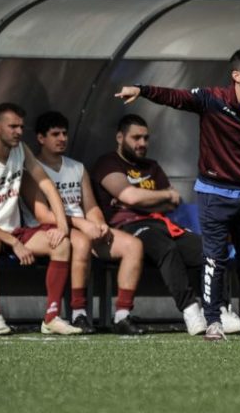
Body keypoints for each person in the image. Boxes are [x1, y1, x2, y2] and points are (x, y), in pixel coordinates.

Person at [114, 48, 240, 341]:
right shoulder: (211, 98)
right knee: (214, 258)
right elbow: (175, 97)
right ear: (237, 76)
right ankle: (213, 321)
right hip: (214, 193)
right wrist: (140, 89)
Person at [0, 103, 81, 336]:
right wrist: (13, 242)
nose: (18, 131)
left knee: (62, 244)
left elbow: (46, 184)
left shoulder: (21, 150)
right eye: (12, 126)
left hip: (13, 232)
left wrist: (62, 225)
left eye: (21, 126)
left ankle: (51, 317)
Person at [21, 111, 145, 334]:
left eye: (65, 133)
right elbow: (43, 215)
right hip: (49, 230)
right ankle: (79, 314)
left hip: (82, 227)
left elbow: (90, 207)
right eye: (55, 134)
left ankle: (122, 315)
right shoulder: (32, 170)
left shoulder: (76, 168)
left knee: (134, 246)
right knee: (81, 242)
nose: (62, 138)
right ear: (40, 138)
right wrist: (82, 224)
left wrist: (99, 223)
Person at [92, 114, 215, 336]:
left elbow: (172, 203)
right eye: (136, 138)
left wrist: (147, 199)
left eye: (146, 138)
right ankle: (190, 310)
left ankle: (218, 309)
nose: (142, 144)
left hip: (160, 224)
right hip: (126, 228)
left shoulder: (152, 166)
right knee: (164, 247)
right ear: (120, 137)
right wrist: (159, 196)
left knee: (209, 249)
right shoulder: (108, 162)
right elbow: (129, 196)